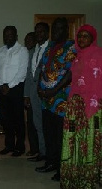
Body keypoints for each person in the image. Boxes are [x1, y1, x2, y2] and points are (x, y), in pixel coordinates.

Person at [60, 24, 102, 188]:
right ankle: (74, 176)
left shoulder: (99, 54)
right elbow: (74, 81)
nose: (82, 39)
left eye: (86, 36)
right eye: (80, 36)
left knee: (90, 140)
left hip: (93, 105)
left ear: (92, 39)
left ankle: (89, 178)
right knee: (74, 140)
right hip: (75, 105)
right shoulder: (77, 57)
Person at [36, 18, 77, 182]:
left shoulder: (72, 47)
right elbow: (43, 68)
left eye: (60, 28)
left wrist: (54, 90)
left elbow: (70, 73)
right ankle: (51, 162)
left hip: (61, 98)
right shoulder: (49, 47)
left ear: (66, 30)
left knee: (61, 135)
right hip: (46, 98)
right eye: (54, 28)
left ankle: (62, 168)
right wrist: (40, 87)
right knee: (49, 132)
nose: (56, 32)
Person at [0, 26, 28, 157]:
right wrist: (0, 84)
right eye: (5, 35)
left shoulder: (22, 50)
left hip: (15, 89)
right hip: (2, 89)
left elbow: (22, 71)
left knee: (18, 119)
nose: (8, 37)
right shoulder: (0, 51)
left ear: (16, 36)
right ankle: (9, 145)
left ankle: (20, 147)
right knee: (5, 119)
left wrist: (9, 85)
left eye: (10, 35)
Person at [25, 22, 50, 162]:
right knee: (37, 123)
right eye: (37, 32)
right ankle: (42, 152)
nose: (38, 34)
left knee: (48, 124)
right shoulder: (33, 50)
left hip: (47, 92)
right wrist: (27, 94)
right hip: (34, 92)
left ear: (47, 33)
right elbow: (30, 74)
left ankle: (48, 153)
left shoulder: (51, 49)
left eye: (41, 32)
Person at [24, 32, 38, 156]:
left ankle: (37, 149)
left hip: (37, 94)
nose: (28, 42)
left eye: (30, 39)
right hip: (29, 93)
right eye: (26, 40)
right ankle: (34, 148)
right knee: (31, 123)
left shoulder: (36, 53)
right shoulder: (27, 53)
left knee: (35, 123)